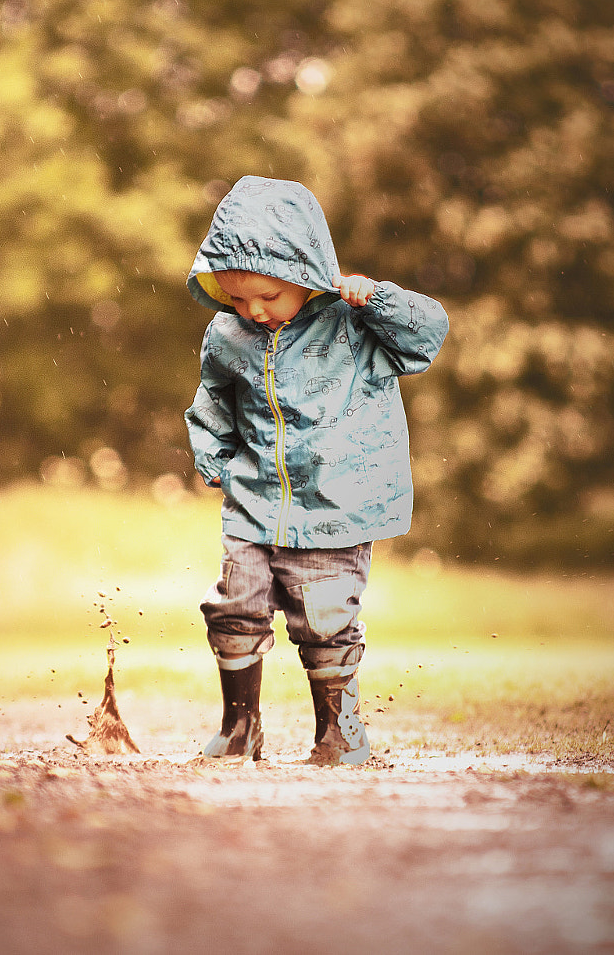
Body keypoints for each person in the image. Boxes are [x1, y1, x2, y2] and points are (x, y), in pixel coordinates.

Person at [183, 175, 449, 765]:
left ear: (304, 275)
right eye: (236, 298)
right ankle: (239, 727)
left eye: (267, 297)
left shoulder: (358, 329)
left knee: (325, 619)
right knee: (233, 605)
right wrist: (219, 461)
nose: (252, 310)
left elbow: (428, 335)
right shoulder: (227, 336)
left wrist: (376, 297)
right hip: (254, 504)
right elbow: (211, 403)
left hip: (337, 507)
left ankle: (338, 731)